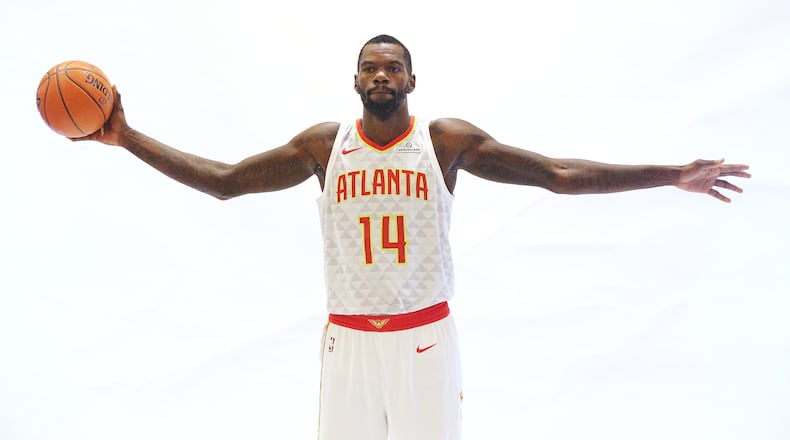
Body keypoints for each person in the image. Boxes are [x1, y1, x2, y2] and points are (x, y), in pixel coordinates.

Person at [75, 34, 750, 440]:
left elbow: (557, 174)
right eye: (369, 66)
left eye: (392, 67)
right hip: (347, 341)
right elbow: (225, 180)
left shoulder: (442, 141)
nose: (379, 75)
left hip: (423, 336)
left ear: (411, 80)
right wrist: (125, 136)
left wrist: (670, 174)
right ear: (355, 80)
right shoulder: (323, 145)